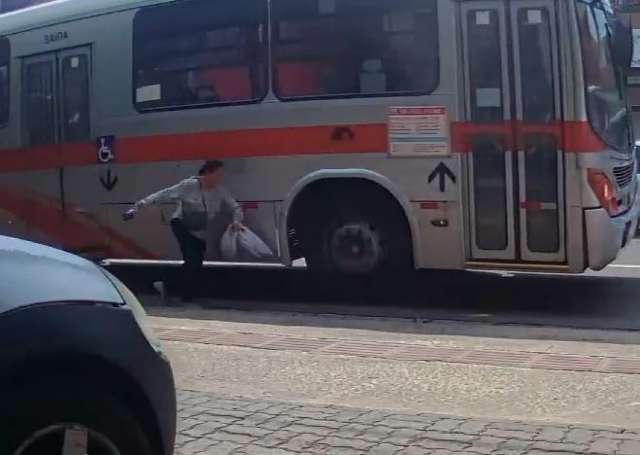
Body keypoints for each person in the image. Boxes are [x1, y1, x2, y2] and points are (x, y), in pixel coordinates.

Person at [123, 160, 243, 302]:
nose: (220, 178)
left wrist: (237, 221)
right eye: (218, 174)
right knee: (192, 259)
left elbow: (235, 207)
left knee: (195, 264)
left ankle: (167, 286)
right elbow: (164, 194)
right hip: (181, 224)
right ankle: (186, 297)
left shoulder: (220, 190)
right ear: (207, 173)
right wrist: (139, 206)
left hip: (200, 229)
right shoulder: (189, 185)